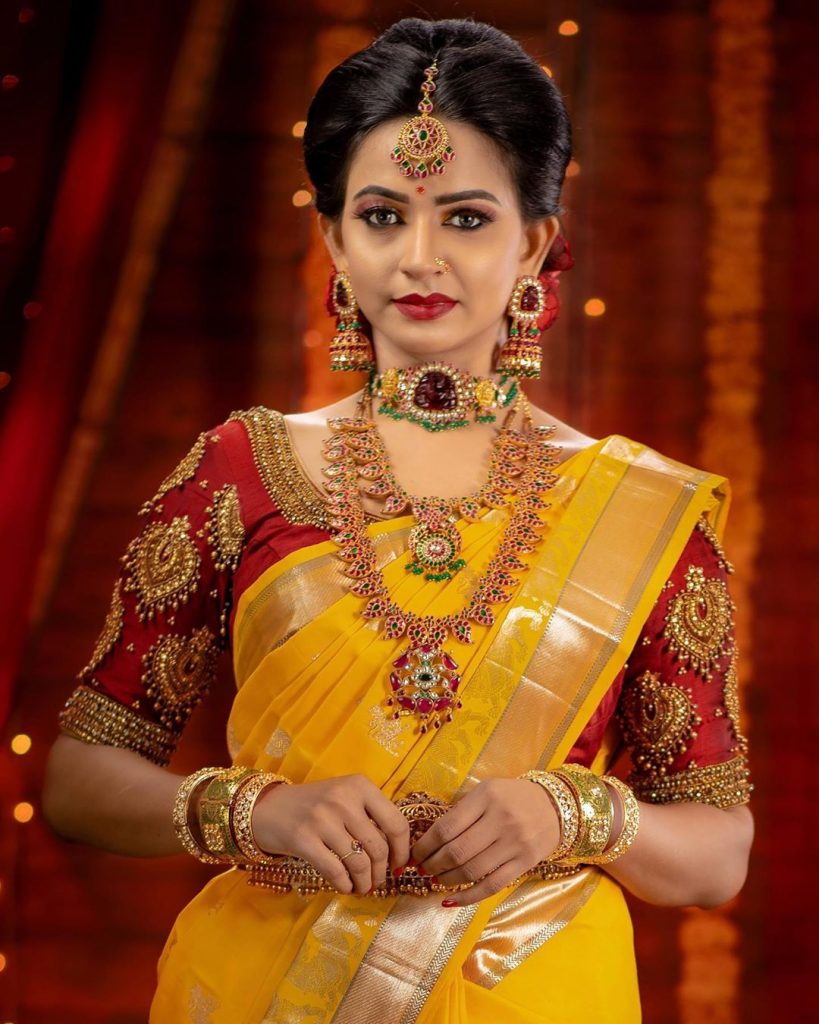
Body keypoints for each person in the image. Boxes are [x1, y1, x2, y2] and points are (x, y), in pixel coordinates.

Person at [42, 17, 753, 1023]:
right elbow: (78, 775)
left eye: (465, 219)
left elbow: (718, 852)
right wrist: (257, 810)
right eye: (382, 216)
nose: (419, 258)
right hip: (263, 989)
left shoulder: (642, 512)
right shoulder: (243, 470)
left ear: (534, 242)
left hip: (538, 989)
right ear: (334, 236)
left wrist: (573, 810)